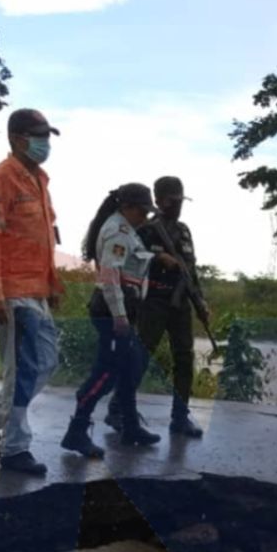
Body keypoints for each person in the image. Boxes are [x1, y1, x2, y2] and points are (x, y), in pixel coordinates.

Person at [0, 108, 64, 477]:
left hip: (36, 291)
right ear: (18, 138)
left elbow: (44, 239)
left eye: (47, 136)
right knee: (21, 371)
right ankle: (15, 447)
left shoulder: (39, 180)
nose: (45, 143)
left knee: (46, 363)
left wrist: (52, 284)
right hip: (12, 293)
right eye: (39, 136)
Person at [61, 183, 163, 457]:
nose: (145, 217)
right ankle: (77, 430)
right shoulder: (117, 232)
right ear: (127, 207)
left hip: (124, 309)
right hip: (111, 311)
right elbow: (109, 277)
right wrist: (119, 315)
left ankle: (130, 426)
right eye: (142, 211)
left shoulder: (128, 231)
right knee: (106, 373)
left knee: (132, 366)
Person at [109, 175, 209, 437]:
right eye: (172, 201)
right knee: (141, 357)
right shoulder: (145, 229)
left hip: (180, 302)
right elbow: (128, 259)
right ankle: (117, 409)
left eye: (180, 200)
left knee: (184, 359)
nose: (177, 206)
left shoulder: (184, 230)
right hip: (153, 301)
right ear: (159, 200)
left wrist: (200, 300)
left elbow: (191, 269)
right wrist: (156, 257)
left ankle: (180, 416)